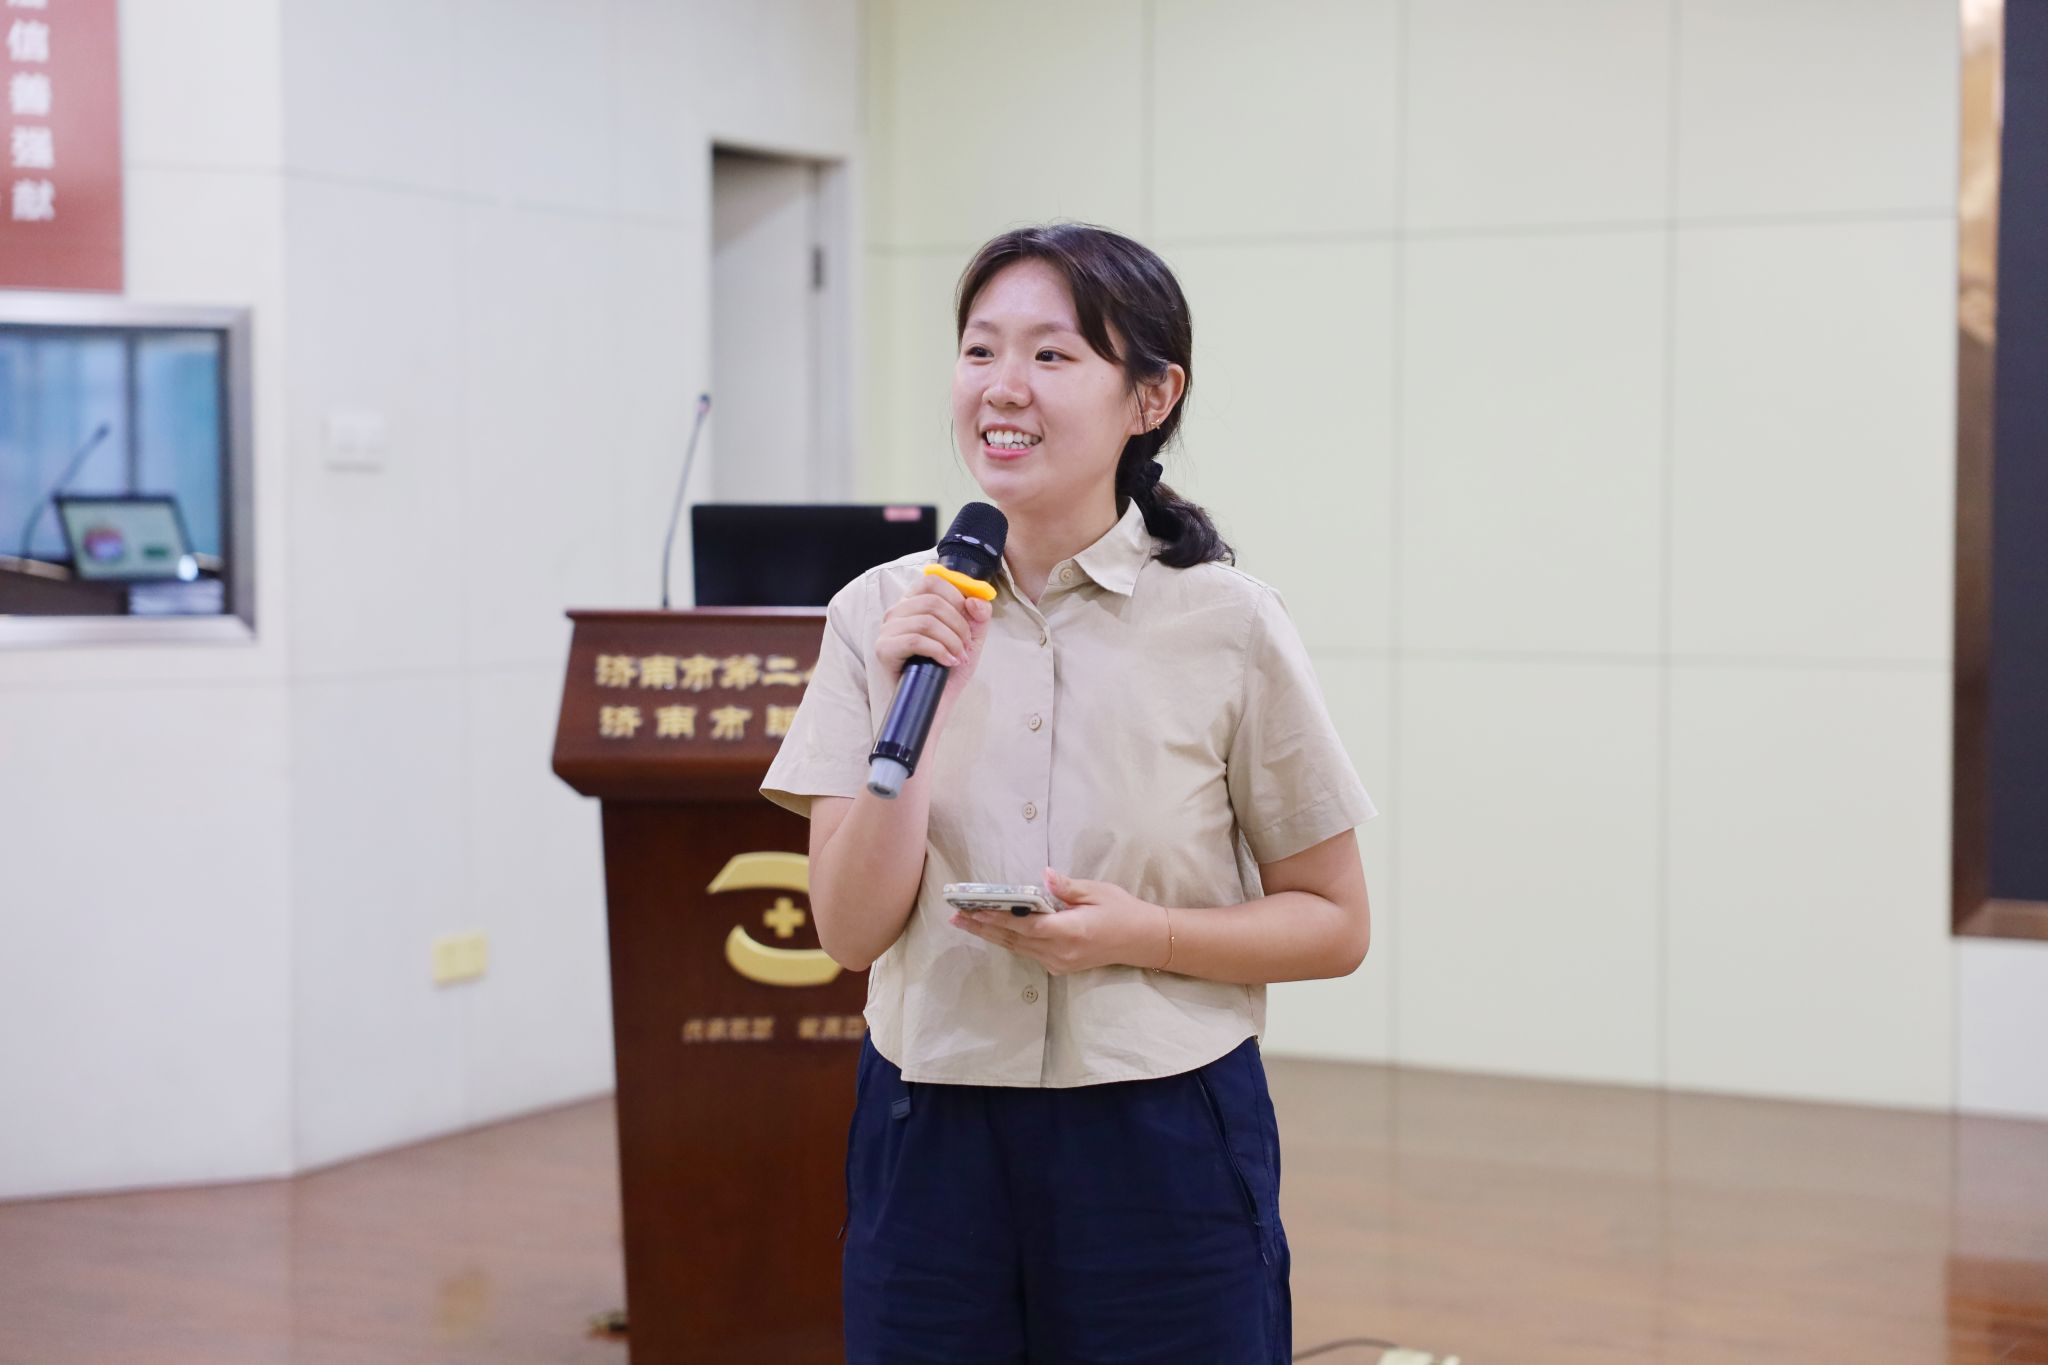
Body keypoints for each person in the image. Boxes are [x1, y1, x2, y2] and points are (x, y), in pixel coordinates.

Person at [759, 221, 1377, 1364]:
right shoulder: (877, 617)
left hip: (1162, 1132)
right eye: (979, 349)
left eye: (1051, 354)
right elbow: (846, 934)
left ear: (1149, 397)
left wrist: (1140, 935)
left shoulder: (1228, 623)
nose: (1004, 386)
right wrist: (912, 706)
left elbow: (1334, 923)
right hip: (929, 1127)